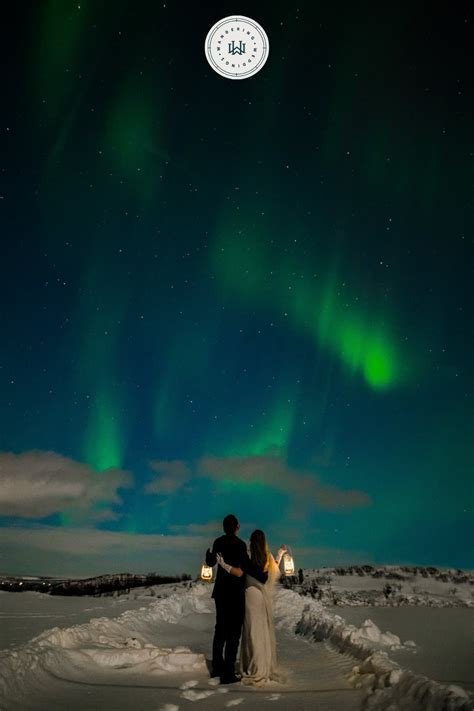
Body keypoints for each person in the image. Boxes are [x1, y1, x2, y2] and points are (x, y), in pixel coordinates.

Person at [216, 529, 286, 686]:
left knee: (251, 632)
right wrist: (280, 554)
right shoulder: (266, 558)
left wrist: (223, 564)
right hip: (261, 597)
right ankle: (261, 665)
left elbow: (240, 573)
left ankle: (252, 666)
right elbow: (273, 571)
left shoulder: (247, 558)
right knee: (260, 631)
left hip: (249, 596)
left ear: (251, 542)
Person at [205, 514, 268, 684]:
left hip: (220, 592)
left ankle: (217, 668)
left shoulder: (218, 542)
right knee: (234, 633)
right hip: (235, 593)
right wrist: (262, 576)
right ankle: (228, 672)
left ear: (224, 527)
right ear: (237, 527)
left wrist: (209, 556)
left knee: (220, 630)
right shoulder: (240, 545)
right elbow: (246, 566)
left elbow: (211, 563)